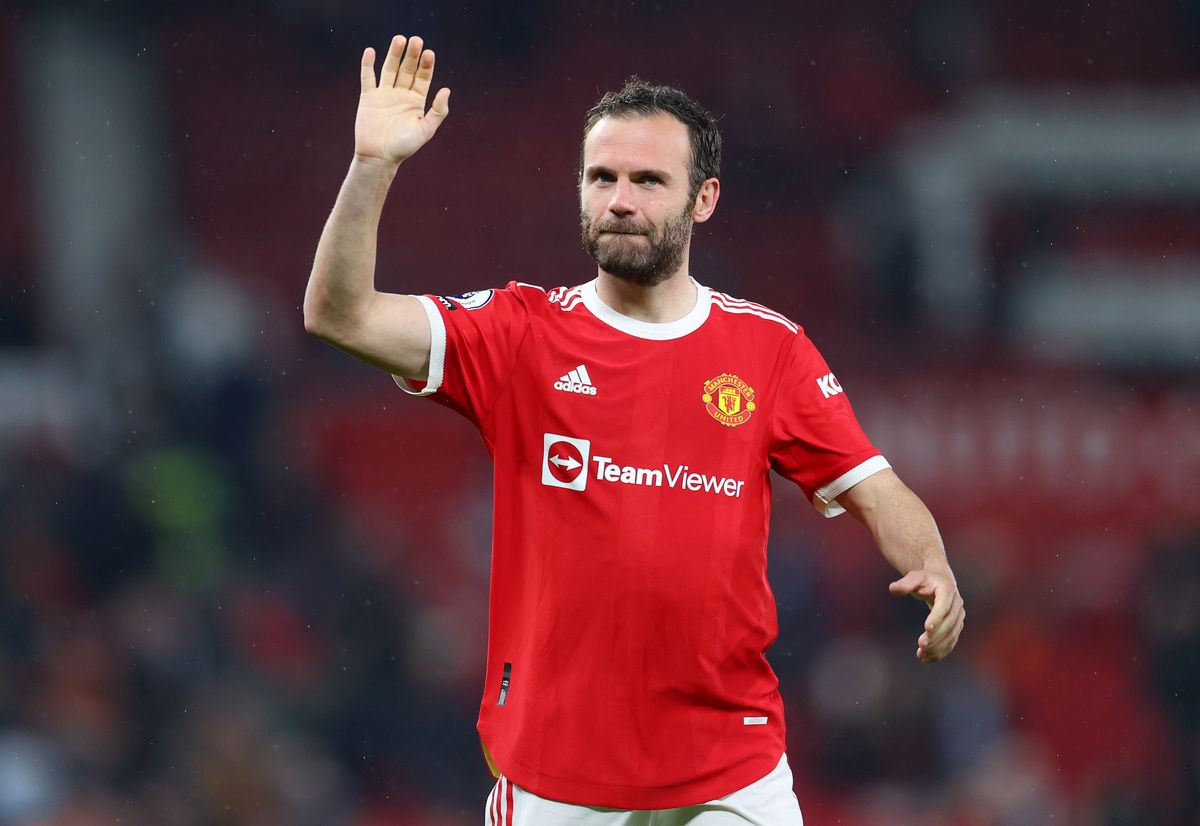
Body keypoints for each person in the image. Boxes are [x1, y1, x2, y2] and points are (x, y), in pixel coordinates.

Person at [304, 33, 965, 826]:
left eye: (649, 180)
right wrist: (372, 166)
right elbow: (338, 314)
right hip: (555, 777)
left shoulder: (768, 349)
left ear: (704, 199)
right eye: (602, 178)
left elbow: (874, 485)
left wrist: (931, 563)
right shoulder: (520, 334)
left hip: (730, 771)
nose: (620, 200)